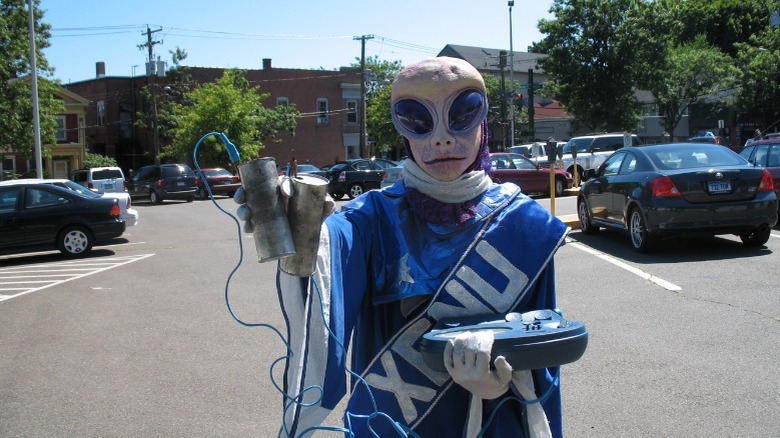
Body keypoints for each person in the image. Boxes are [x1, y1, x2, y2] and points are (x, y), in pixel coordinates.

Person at [236, 57, 569, 437]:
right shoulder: (371, 218)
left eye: (462, 113)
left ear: (484, 121)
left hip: (494, 423)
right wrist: (299, 224)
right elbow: (328, 250)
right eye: (418, 119)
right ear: (402, 131)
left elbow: (542, 343)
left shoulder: (525, 225)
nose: (442, 138)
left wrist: (504, 382)